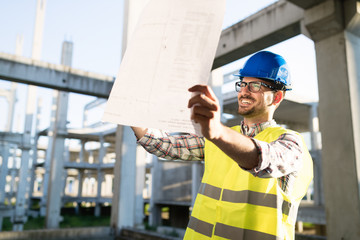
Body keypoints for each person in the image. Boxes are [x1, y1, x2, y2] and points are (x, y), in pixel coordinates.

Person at [131, 51, 313, 240]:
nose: (244, 91)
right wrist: (128, 109)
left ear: (277, 97)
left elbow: (266, 159)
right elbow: (165, 145)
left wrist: (218, 132)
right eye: (242, 84)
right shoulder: (219, 137)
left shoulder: (291, 142)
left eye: (255, 85)